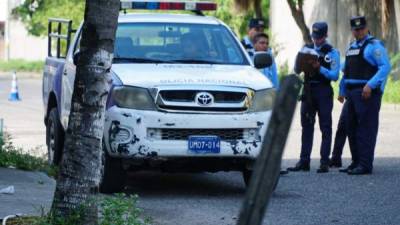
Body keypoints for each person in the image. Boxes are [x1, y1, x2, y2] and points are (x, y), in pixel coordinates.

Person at [339, 16, 391, 175]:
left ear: (366, 27)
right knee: (351, 127)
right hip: (352, 93)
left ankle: (365, 165)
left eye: (361, 28)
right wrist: (341, 90)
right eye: (356, 29)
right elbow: (346, 71)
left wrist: (371, 85)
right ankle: (356, 162)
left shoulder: (374, 46)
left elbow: (385, 67)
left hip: (367, 93)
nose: (359, 31)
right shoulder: (351, 47)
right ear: (352, 30)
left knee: (366, 129)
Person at [287, 22, 340, 173]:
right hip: (308, 90)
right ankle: (304, 161)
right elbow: (296, 69)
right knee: (306, 126)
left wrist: (320, 68)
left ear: (326, 35)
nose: (316, 40)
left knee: (325, 127)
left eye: (320, 37)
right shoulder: (306, 49)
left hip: (323, 91)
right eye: (314, 37)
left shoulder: (332, 52)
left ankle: (324, 162)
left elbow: (335, 76)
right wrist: (299, 64)